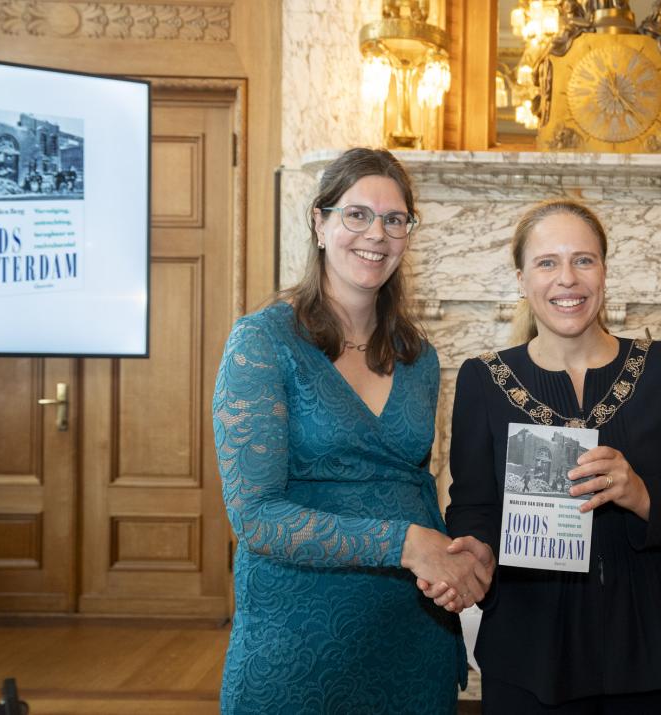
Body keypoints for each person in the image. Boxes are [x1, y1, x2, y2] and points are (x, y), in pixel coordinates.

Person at [212, 147, 493, 714]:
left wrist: (467, 554)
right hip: (298, 646)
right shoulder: (262, 344)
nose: (377, 234)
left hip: (412, 640)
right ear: (320, 223)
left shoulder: (419, 356)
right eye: (357, 214)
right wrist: (406, 543)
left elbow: (420, 484)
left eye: (395, 220)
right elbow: (256, 517)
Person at [442, 199, 661, 713]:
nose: (566, 279)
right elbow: (472, 505)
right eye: (547, 262)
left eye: (583, 260)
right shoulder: (483, 379)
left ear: (604, 270)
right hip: (527, 646)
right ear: (522, 280)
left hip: (642, 646)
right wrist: (477, 551)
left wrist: (640, 494)